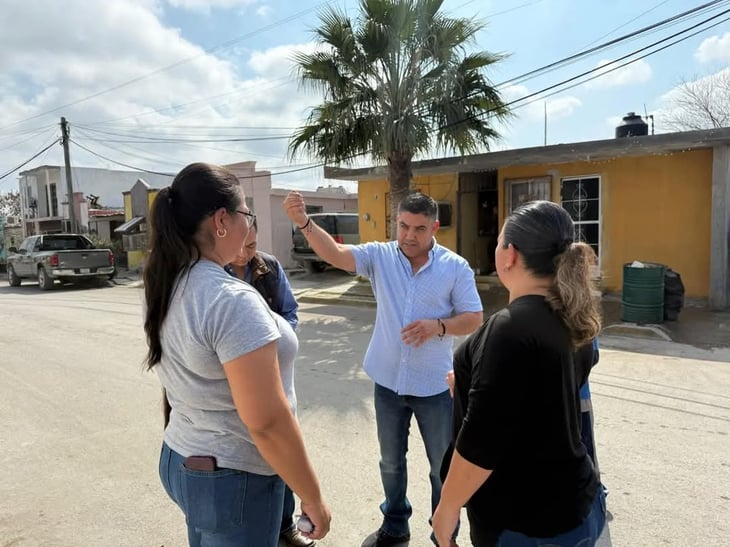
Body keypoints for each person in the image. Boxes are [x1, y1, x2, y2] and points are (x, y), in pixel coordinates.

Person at [143, 162, 331, 547]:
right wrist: (312, 497)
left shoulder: (171, 280)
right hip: (232, 477)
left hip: (184, 457)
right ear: (221, 221)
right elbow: (266, 422)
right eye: (247, 213)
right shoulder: (231, 300)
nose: (250, 225)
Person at [284, 190, 483, 547]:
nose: (409, 235)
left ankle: (443, 532)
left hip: (434, 387)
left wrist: (437, 326)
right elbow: (337, 255)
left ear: (434, 227)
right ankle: (394, 525)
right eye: (403, 226)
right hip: (388, 382)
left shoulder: (455, 267)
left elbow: (473, 317)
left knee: (443, 466)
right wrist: (304, 222)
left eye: (419, 228)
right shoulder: (380, 256)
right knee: (391, 463)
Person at [432, 200, 605, 547]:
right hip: (579, 504)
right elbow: (546, 395)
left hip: (526, 524)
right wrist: (469, 385)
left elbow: (482, 442)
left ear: (509, 255)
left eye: (498, 242)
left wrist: (446, 508)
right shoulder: (575, 315)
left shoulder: (509, 329)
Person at [226, 218, 313, 547]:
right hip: (236, 380)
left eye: (252, 246)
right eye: (240, 247)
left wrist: (272, 339)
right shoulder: (212, 273)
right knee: (249, 456)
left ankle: (284, 526)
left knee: (283, 452)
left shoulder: (270, 268)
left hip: (274, 372)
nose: (246, 254)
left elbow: (290, 311)